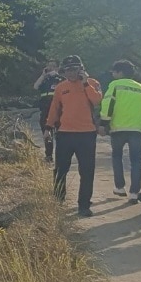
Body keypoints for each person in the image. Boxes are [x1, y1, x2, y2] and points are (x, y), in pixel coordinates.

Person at [47, 55, 103, 218]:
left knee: (87, 171)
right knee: (60, 169)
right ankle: (58, 200)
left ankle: (84, 205)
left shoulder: (93, 83)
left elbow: (97, 100)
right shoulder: (60, 87)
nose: (71, 73)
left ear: (81, 68)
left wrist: (85, 82)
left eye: (74, 69)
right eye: (68, 70)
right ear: (63, 71)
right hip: (65, 134)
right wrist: (48, 127)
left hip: (87, 134)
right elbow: (54, 108)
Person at [99, 60, 141, 204]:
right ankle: (134, 193)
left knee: (117, 156)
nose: (113, 75)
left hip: (119, 128)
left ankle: (120, 187)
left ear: (120, 72)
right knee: (136, 161)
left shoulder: (115, 85)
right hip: (138, 129)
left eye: (114, 72)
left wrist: (104, 123)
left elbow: (108, 104)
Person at [34, 59, 65, 163]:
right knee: (47, 134)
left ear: (57, 68)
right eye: (49, 66)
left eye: (53, 66)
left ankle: (61, 155)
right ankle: (48, 155)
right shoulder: (44, 80)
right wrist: (43, 75)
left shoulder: (61, 79)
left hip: (59, 111)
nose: (50, 68)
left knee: (60, 134)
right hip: (45, 110)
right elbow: (35, 86)